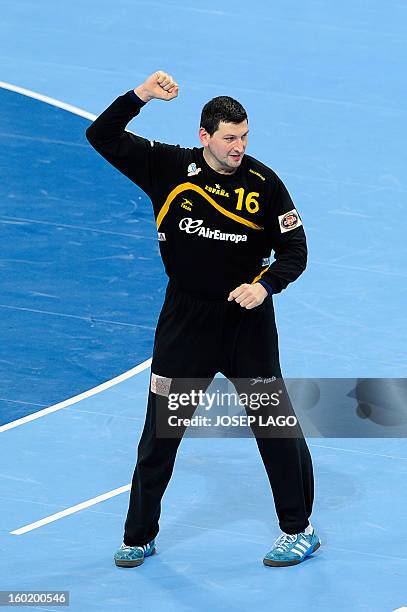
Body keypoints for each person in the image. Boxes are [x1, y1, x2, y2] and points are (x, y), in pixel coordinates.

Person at [86, 70, 321, 568]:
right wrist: (141, 95)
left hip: (246, 323)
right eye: (230, 138)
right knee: (161, 431)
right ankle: (138, 535)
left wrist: (265, 286)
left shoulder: (264, 183)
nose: (239, 147)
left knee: (274, 427)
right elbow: (101, 135)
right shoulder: (168, 167)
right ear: (204, 137)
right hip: (185, 321)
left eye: (245, 136)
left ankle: (299, 530)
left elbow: (295, 250)